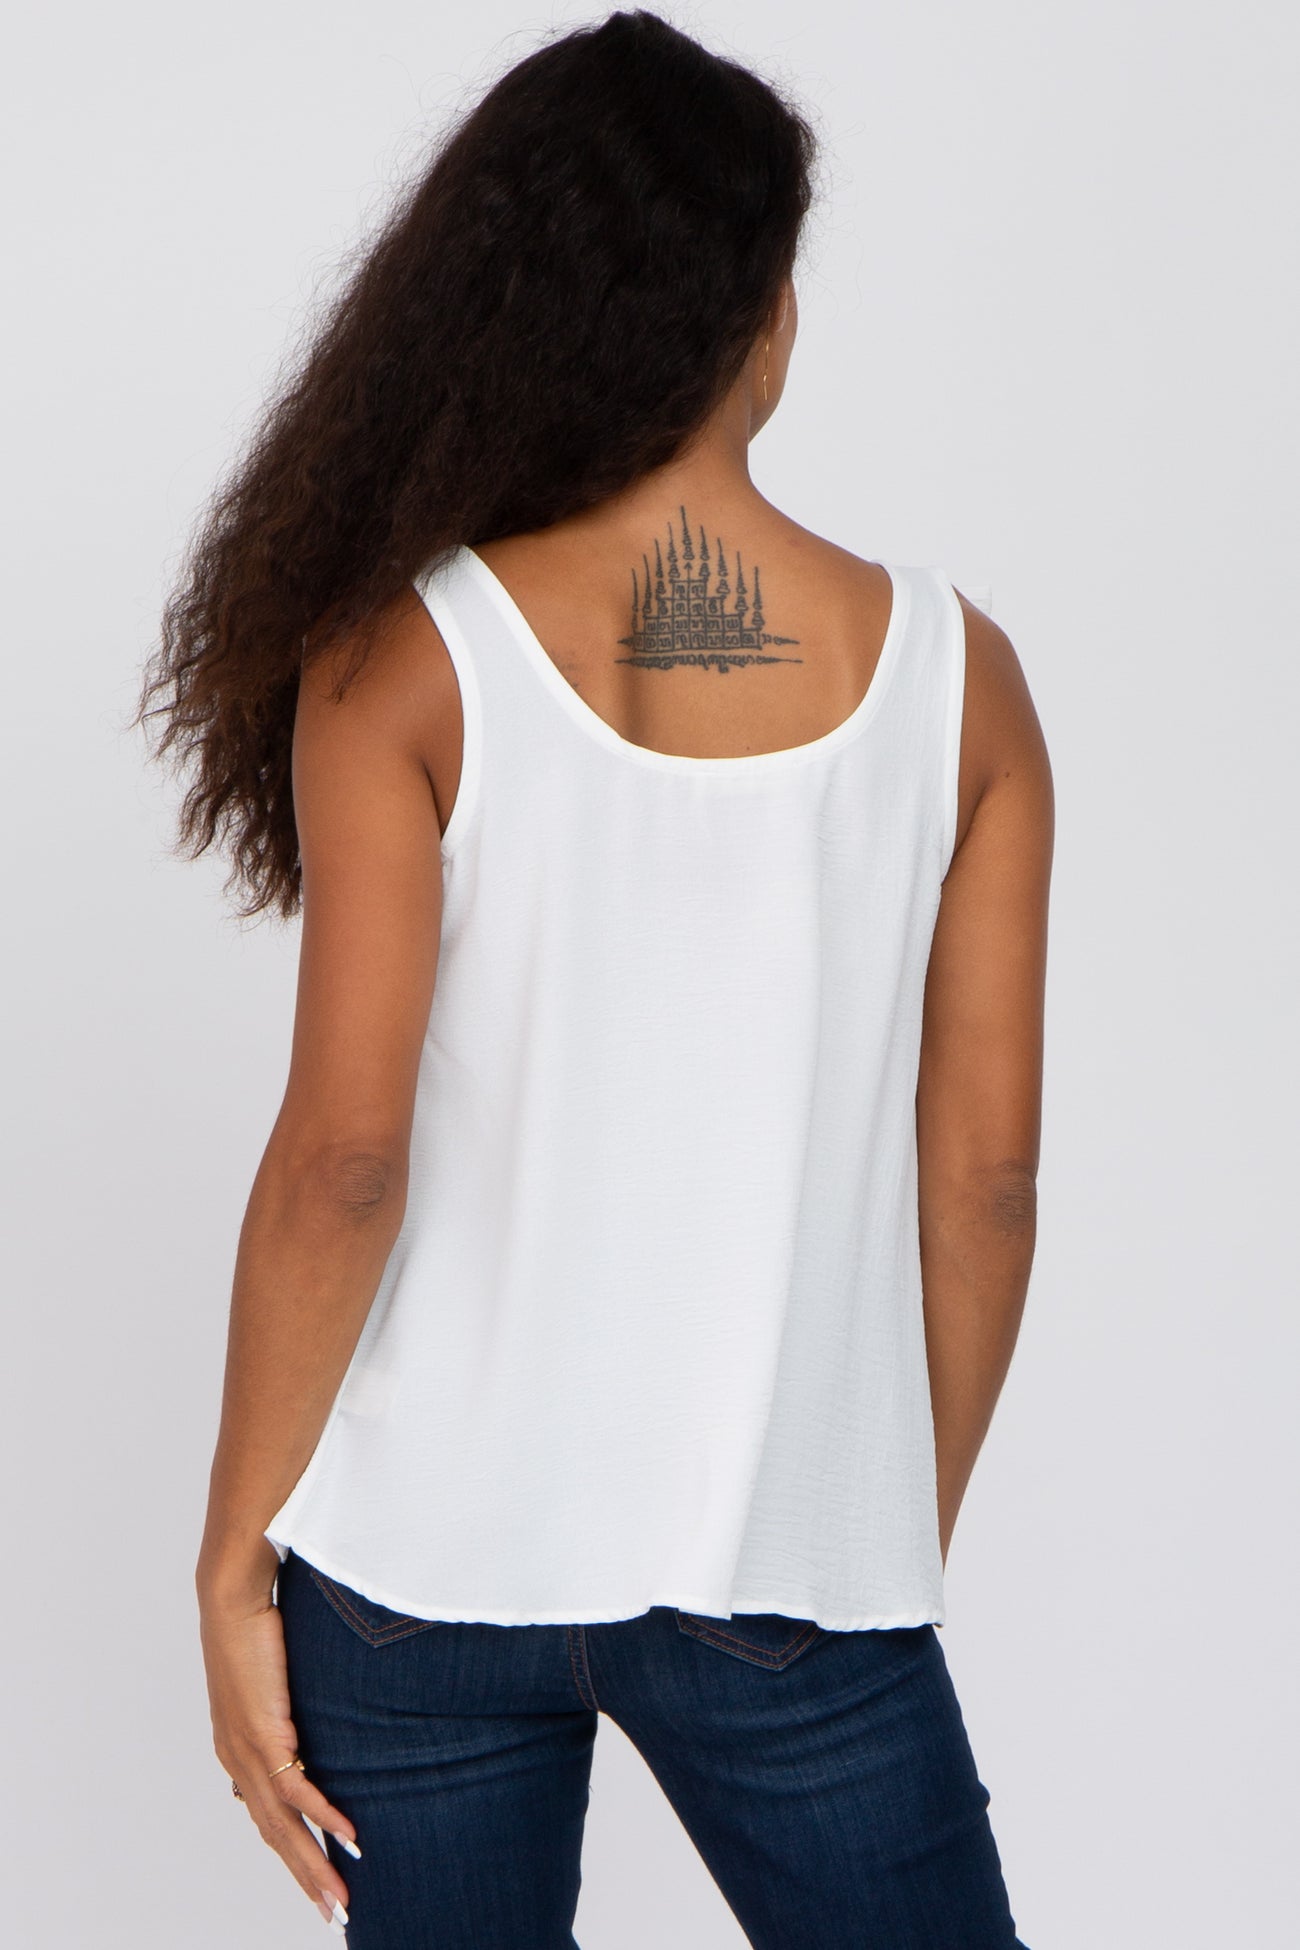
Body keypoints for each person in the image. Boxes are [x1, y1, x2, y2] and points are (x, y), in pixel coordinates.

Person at [139, 10, 1051, 1945]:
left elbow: (343, 1158)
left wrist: (233, 1550)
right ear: (760, 314)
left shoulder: (398, 658)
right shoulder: (958, 684)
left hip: (414, 1579)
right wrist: (871, 1535)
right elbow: (982, 1187)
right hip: (780, 1572)